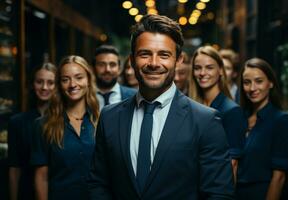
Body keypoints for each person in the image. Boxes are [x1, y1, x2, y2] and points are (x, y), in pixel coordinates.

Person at [88, 14, 234, 199]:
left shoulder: (205, 121)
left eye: (164, 54)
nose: (154, 63)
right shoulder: (109, 118)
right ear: (132, 60)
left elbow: (218, 194)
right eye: (145, 54)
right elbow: (99, 183)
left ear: (178, 60)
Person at [31, 55, 100, 200]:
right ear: (59, 85)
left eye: (79, 77)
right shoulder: (44, 125)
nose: (72, 84)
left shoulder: (102, 121)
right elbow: (41, 177)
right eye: (65, 79)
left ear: (88, 80)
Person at [236, 58, 288, 200]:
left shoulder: (281, 120)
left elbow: (279, 177)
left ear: (271, 83)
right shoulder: (240, 117)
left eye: (259, 81)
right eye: (247, 82)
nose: (252, 88)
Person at [189, 45, 246, 182]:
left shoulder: (231, 111)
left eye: (209, 67)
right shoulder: (190, 106)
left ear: (220, 70)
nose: (202, 73)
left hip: (214, 187)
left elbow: (233, 164)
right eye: (197, 68)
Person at [8, 62, 56, 200]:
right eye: (39, 82)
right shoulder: (17, 122)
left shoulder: (64, 121)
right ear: (32, 84)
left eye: (50, 82)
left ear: (57, 86)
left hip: (57, 191)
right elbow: (14, 169)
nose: (44, 87)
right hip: (27, 192)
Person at [93, 45, 136, 110]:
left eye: (112, 65)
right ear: (93, 68)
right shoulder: (84, 96)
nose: (107, 69)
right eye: (101, 65)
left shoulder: (134, 96)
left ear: (119, 69)